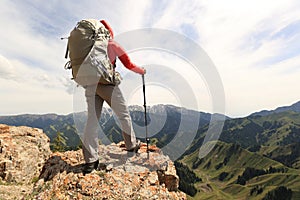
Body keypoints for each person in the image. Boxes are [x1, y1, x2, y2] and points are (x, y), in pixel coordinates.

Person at [82, 20, 146, 174]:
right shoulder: (112, 44)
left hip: (90, 85)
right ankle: (131, 146)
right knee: (124, 115)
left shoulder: (88, 47)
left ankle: (90, 161)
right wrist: (141, 71)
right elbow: (129, 64)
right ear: (109, 32)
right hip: (108, 85)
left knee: (92, 121)